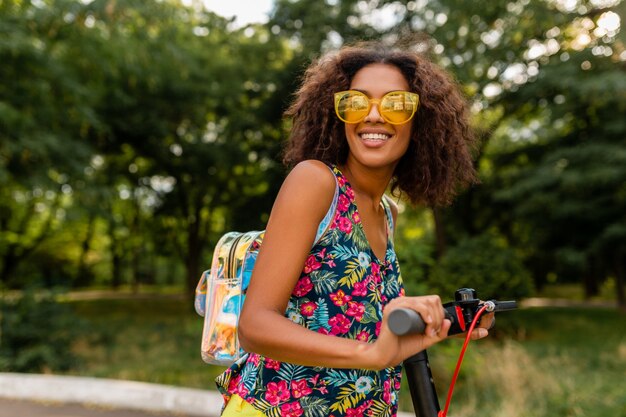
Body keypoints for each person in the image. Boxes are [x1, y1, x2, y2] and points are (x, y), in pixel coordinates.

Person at [216, 41, 491, 417]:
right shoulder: (315, 183)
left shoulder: (387, 213)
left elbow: (361, 327)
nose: (374, 116)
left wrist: (447, 320)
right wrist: (371, 355)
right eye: (356, 103)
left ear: (419, 119)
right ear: (339, 115)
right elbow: (256, 325)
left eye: (395, 103)